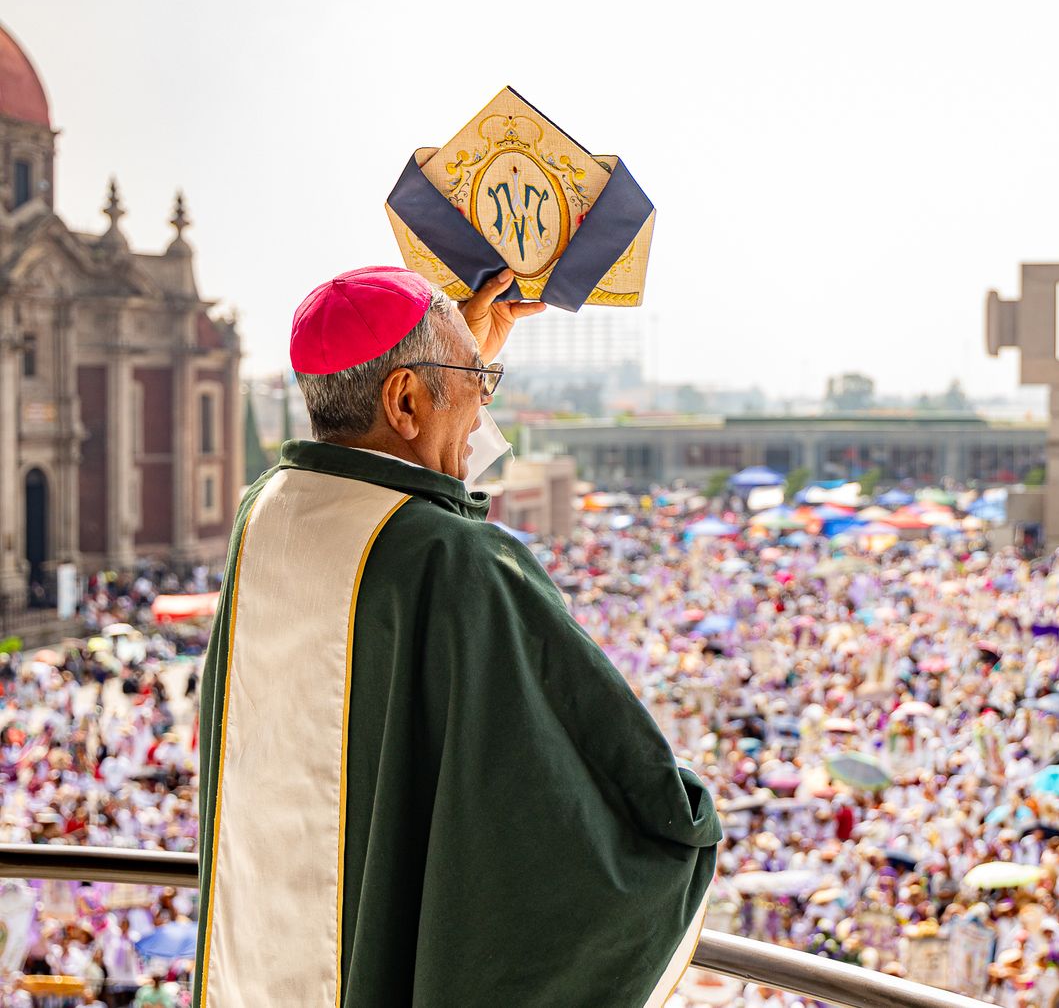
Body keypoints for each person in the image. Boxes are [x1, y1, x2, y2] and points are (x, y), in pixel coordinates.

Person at [195, 267, 722, 1007]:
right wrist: (682, 821)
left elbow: (401, 483)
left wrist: (456, 366)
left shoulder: (266, 514)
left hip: (256, 957)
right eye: (481, 379)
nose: (483, 406)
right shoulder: (457, 565)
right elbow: (624, 809)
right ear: (404, 398)